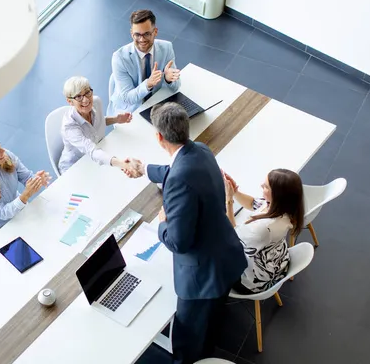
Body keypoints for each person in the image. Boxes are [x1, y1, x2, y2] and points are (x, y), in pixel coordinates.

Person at [123, 103, 247, 363]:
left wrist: (161, 224)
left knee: (186, 340)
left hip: (202, 277)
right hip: (226, 256)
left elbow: (179, 242)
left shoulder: (179, 178)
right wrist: (144, 168)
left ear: (159, 137)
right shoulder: (201, 150)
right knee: (211, 323)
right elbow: (174, 170)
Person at [223, 169, 305, 294]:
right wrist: (235, 192)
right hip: (277, 264)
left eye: (266, 186)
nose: (261, 185)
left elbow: (232, 235)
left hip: (255, 281)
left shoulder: (264, 228)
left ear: (277, 195)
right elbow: (252, 203)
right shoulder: (285, 208)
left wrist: (228, 200)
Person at [107, 9, 181, 116]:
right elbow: (128, 98)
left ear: (155, 32)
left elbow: (176, 87)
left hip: (156, 104)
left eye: (146, 34)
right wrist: (148, 84)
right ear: (132, 34)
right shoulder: (119, 58)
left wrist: (168, 79)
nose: (142, 40)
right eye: (137, 35)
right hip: (130, 109)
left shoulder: (166, 48)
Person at [58, 76, 134, 174]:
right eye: (79, 97)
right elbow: (91, 150)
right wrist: (121, 164)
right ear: (70, 101)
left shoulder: (96, 102)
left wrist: (116, 119)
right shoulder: (69, 126)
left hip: (95, 156)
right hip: (74, 167)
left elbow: (97, 122)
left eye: (87, 92)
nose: (86, 100)